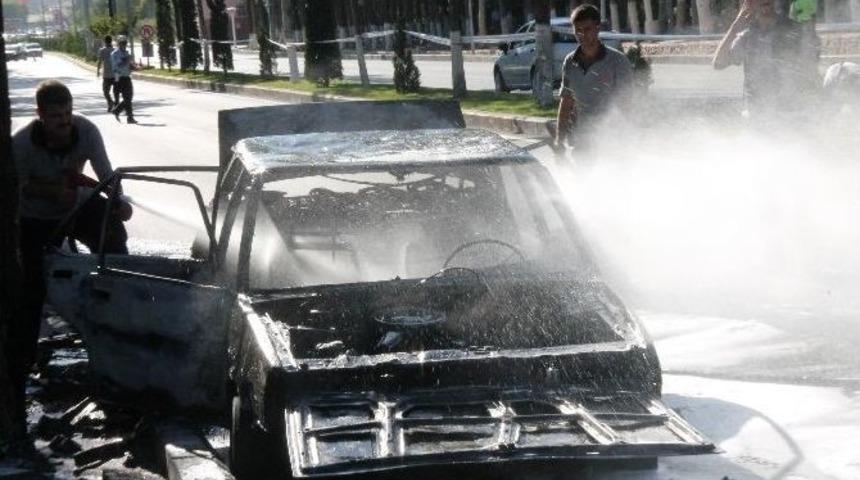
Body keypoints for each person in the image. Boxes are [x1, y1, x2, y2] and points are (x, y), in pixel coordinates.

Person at [10, 80, 131, 419]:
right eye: (55, 117)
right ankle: (21, 363)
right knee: (30, 287)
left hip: (75, 207)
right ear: (40, 115)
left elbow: (106, 175)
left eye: (67, 114)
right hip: (34, 218)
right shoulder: (21, 144)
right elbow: (15, 187)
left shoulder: (86, 131)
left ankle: (121, 318)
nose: (63, 122)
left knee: (112, 235)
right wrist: (49, 191)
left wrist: (119, 201)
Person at [712, 0, 820, 120]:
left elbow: (811, 67)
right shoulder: (747, 37)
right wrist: (735, 27)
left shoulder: (793, 31)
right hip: (756, 114)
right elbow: (718, 63)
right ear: (749, 3)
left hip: (789, 114)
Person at [555, 4, 633, 151]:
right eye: (578, 30)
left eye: (587, 29)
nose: (582, 35)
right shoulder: (570, 62)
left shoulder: (618, 61)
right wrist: (559, 140)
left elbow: (626, 103)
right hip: (581, 141)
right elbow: (566, 102)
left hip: (612, 141)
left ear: (597, 28)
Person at [110, 36, 137, 124]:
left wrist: (134, 67)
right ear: (118, 44)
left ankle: (117, 110)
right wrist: (126, 60)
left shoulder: (127, 53)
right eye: (122, 43)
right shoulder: (114, 54)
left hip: (127, 77)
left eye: (125, 43)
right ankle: (130, 117)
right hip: (119, 77)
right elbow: (116, 67)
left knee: (129, 97)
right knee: (127, 97)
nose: (124, 45)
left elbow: (129, 65)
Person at [95, 35, 119, 113]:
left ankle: (111, 103)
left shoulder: (102, 50)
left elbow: (99, 61)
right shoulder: (115, 50)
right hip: (115, 74)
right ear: (111, 41)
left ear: (104, 41)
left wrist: (98, 71)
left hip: (107, 75)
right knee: (116, 91)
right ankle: (114, 104)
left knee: (106, 92)